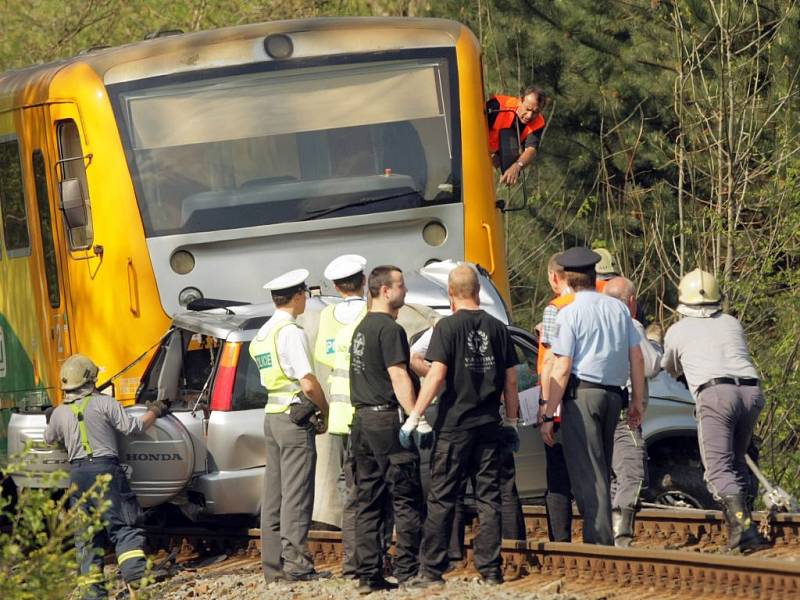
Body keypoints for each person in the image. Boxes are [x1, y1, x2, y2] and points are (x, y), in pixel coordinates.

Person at [406, 263, 520, 588]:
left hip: (455, 426)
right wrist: (511, 421)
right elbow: (511, 382)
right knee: (488, 497)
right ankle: (491, 569)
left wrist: (416, 414)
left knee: (442, 496)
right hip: (489, 425)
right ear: (479, 292)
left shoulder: (447, 328)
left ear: (451, 295)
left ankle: (431, 571)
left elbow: (437, 375)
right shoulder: (498, 329)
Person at [539, 247, 645, 546]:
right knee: (602, 466)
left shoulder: (568, 312)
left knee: (587, 471)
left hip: (582, 396)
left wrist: (548, 413)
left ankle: (599, 543)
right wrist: (638, 400)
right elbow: (636, 357)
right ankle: (603, 537)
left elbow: (561, 366)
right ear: (593, 275)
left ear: (566, 279)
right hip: (614, 397)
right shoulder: (619, 309)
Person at [44, 353, 169, 599]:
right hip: (105, 471)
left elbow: (49, 439)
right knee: (122, 525)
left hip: (78, 476)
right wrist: (156, 410)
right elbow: (133, 428)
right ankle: (135, 573)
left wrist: (51, 418)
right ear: (91, 380)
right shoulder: (105, 404)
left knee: (88, 537)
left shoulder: (60, 412)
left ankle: (93, 594)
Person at [661, 268, 765, 552]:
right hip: (752, 391)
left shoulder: (677, 330)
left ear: (683, 300)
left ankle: (745, 530)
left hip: (716, 395)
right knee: (737, 460)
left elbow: (669, 368)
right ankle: (741, 529)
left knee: (717, 469)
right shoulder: (732, 322)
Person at [349, 265, 427, 594]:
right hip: (386, 421)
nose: (405, 291)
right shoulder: (390, 329)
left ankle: (368, 575)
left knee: (368, 499)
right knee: (406, 497)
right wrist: (415, 418)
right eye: (401, 285)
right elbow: (398, 376)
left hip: (361, 423)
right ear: (385, 291)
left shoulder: (362, 328)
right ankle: (409, 571)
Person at [249, 268, 330, 584]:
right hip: (295, 418)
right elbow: (308, 383)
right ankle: (297, 567)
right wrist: (325, 409)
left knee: (275, 496)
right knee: (296, 496)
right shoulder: (291, 332)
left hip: (272, 416)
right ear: (299, 296)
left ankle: (273, 568)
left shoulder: (263, 334)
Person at [314, 254, 370, 579]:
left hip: (339, 415)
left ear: (335, 286)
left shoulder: (328, 315)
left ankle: (352, 560)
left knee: (349, 486)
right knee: (372, 486)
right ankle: (370, 558)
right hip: (369, 412)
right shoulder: (371, 312)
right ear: (363, 282)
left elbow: (323, 352)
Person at [603, 277, 663, 547]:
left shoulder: (593, 322)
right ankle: (621, 537)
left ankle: (606, 533)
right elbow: (649, 365)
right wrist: (656, 345)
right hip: (626, 408)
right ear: (631, 302)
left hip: (597, 406)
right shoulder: (631, 323)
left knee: (611, 475)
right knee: (631, 472)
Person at [537, 252, 575, 542]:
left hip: (560, 403)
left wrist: (545, 409)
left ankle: (561, 540)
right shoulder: (599, 301)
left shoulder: (555, 308)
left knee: (559, 476)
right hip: (591, 398)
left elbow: (551, 361)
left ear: (554, 277)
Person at [486, 85, 547, 186]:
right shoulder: (498, 106)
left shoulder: (538, 123)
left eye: (536, 112)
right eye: (528, 109)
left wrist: (516, 166)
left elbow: (531, 149)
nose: (530, 116)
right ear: (521, 100)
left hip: (489, 166)